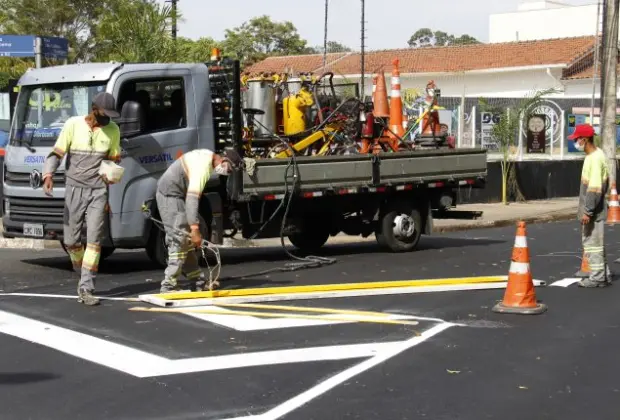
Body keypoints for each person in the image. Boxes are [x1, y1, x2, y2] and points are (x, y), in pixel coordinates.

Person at [42, 92, 121, 305]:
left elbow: (113, 160)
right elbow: (57, 154)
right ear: (94, 109)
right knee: (71, 241)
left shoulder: (113, 130)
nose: (108, 119)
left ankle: (87, 287)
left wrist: (112, 174)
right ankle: (81, 270)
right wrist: (48, 174)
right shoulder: (73, 125)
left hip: (98, 191)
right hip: (74, 189)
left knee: (95, 241)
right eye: (105, 114)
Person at [155, 148, 241, 293]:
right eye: (229, 169)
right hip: (170, 195)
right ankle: (169, 285)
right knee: (179, 238)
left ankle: (197, 281)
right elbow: (192, 200)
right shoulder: (202, 168)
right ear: (224, 160)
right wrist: (194, 228)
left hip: (176, 195)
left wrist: (193, 228)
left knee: (186, 241)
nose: (228, 173)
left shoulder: (207, 158)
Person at [569, 123, 612, 287]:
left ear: (584, 139)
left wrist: (587, 211)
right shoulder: (597, 155)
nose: (576, 142)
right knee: (596, 243)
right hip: (597, 209)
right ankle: (603, 274)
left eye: (577, 139)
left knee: (591, 243)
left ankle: (597, 277)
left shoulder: (594, 159)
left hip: (594, 210)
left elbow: (594, 189)